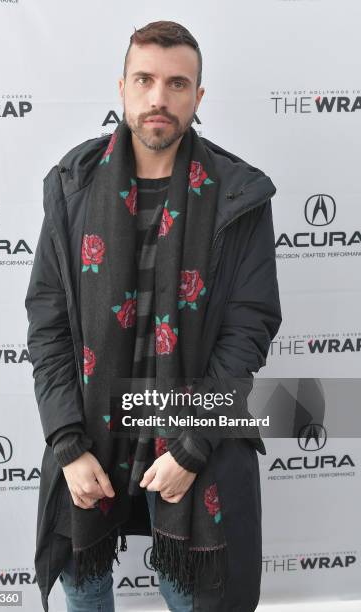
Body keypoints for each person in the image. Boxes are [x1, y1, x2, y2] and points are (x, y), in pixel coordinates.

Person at [25, 20, 282, 612]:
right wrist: (67, 443)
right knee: (83, 586)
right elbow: (48, 323)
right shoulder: (72, 187)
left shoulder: (238, 195)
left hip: (195, 436)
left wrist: (193, 448)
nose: (158, 98)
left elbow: (247, 331)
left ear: (198, 96)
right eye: (144, 80)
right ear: (122, 88)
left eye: (176, 83)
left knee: (189, 592)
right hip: (90, 432)